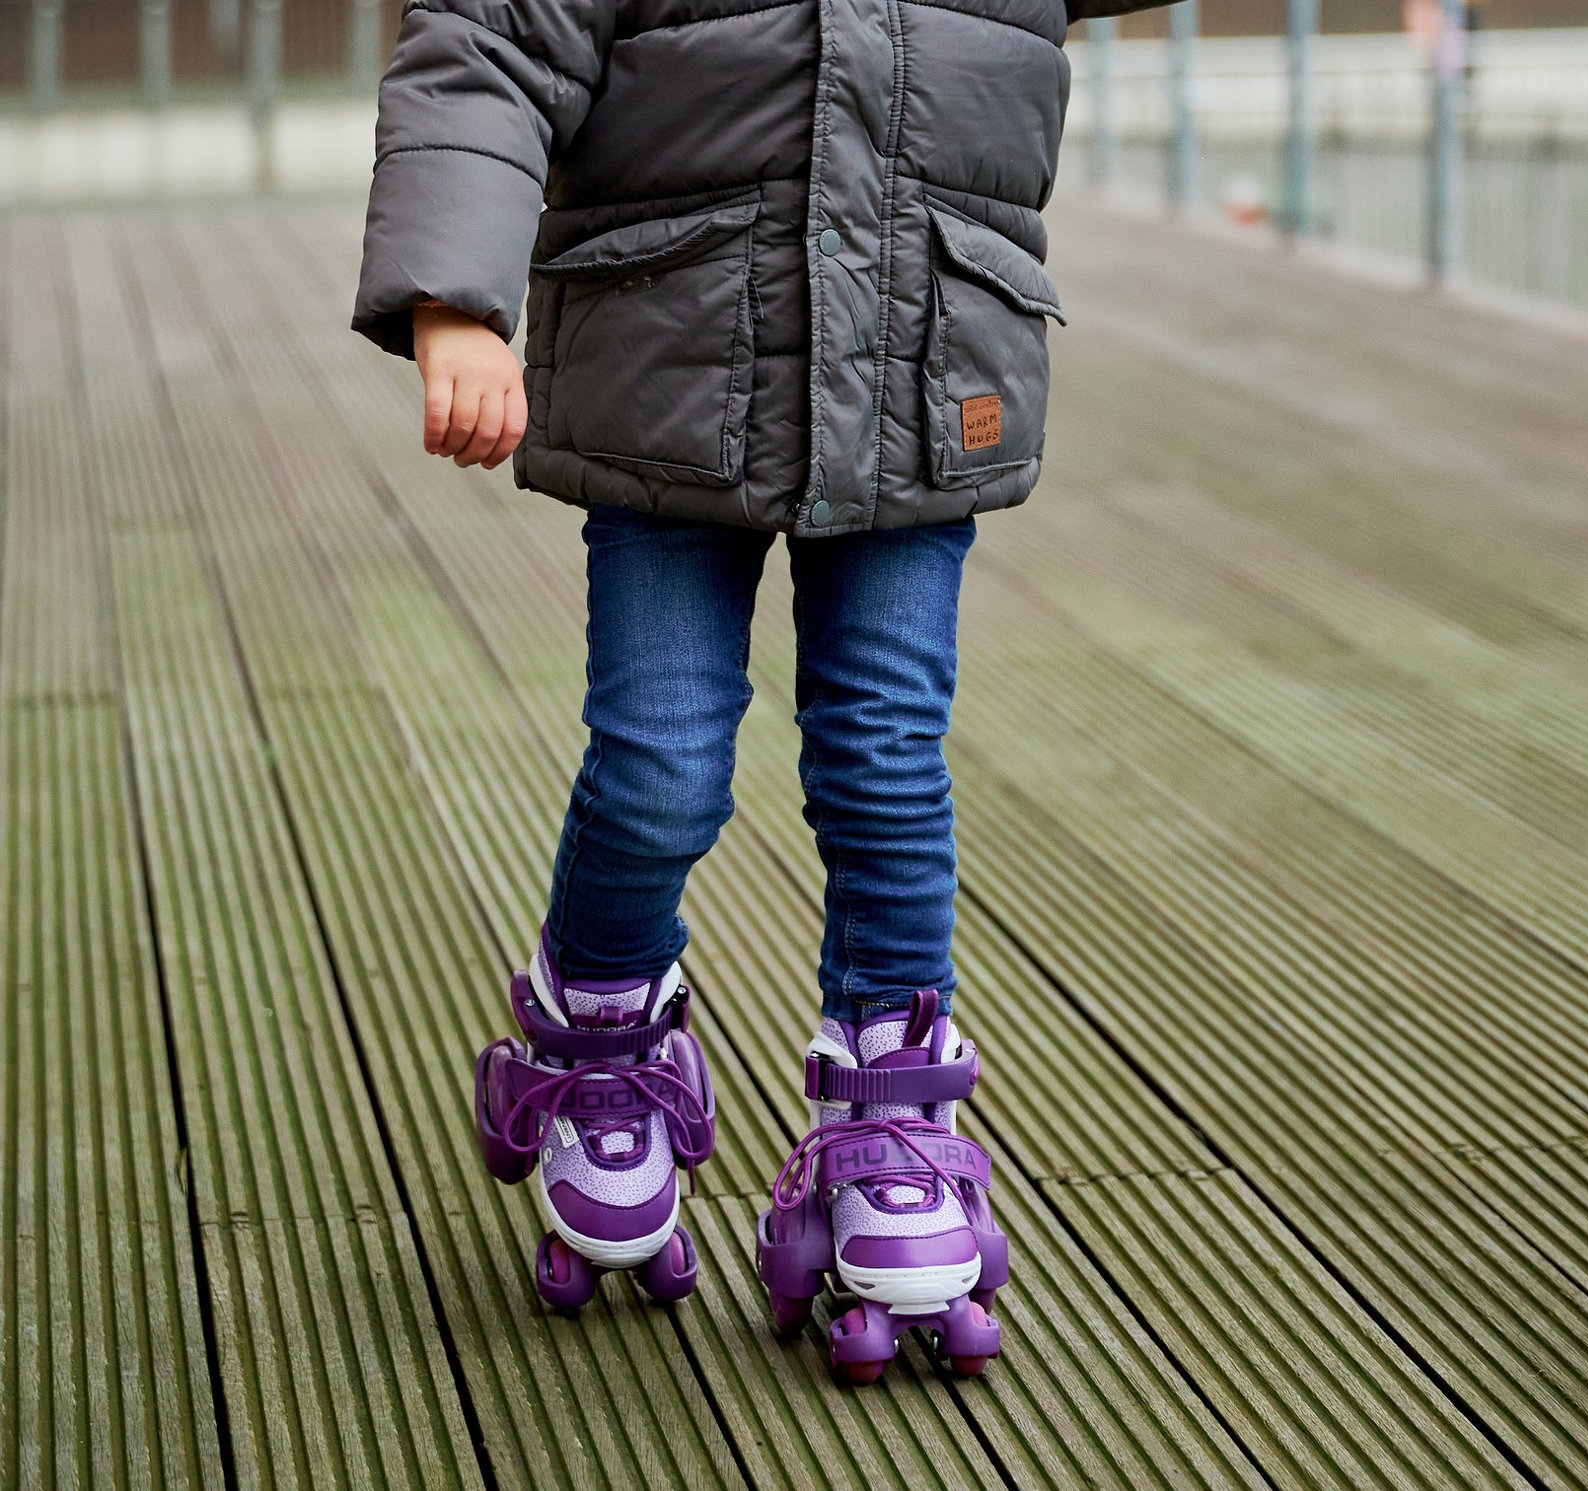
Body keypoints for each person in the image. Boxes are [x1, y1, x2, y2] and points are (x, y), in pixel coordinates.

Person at [353, 0, 1163, 1385]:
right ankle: (597, 1037)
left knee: (885, 754)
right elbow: (482, 52)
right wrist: (452, 300)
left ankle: (894, 1107)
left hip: (918, 373)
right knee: (661, 759)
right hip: (674, 377)